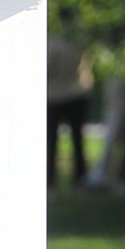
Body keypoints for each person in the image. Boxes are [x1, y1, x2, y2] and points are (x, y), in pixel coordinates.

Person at [47, 35, 92, 187]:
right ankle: (80, 175)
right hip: (76, 94)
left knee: (51, 141)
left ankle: (49, 177)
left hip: (54, 96)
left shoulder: (52, 44)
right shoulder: (78, 43)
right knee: (77, 140)